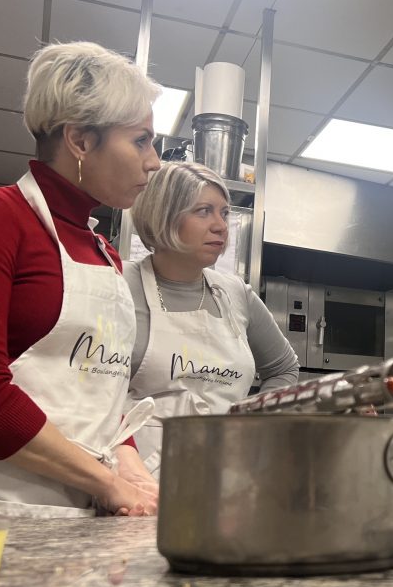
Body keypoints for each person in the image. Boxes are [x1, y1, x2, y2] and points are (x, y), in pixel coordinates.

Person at [0, 41, 162, 517]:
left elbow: (98, 390)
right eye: (141, 140)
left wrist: (128, 465)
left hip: (84, 515)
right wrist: (103, 480)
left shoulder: (105, 252)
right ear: (81, 141)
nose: (154, 161)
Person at [125, 161, 299, 476]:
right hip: (139, 480)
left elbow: (284, 369)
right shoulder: (122, 284)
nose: (221, 226)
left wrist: (252, 417)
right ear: (163, 215)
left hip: (228, 471)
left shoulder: (236, 294)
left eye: (225, 213)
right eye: (204, 211)